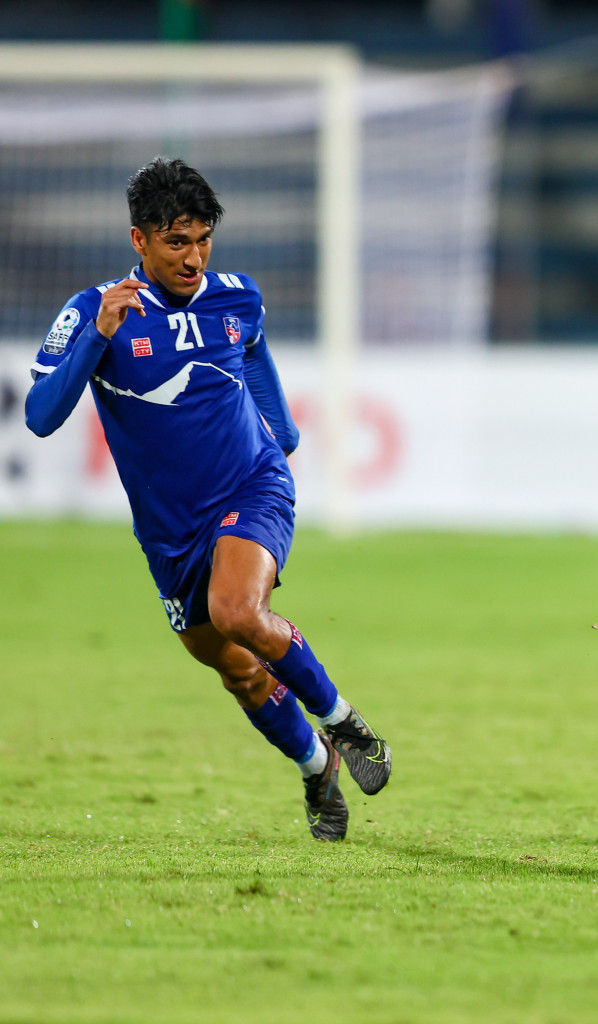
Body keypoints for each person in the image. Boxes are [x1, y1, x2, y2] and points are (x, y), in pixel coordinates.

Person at [24, 157, 391, 842]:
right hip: (169, 532)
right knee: (238, 672)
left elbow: (253, 354)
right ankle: (318, 767)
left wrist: (280, 444)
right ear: (139, 241)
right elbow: (41, 415)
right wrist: (99, 337)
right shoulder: (93, 311)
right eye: (176, 242)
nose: (194, 258)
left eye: (202, 240)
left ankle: (345, 721)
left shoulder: (236, 296)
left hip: (250, 488)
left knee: (237, 610)